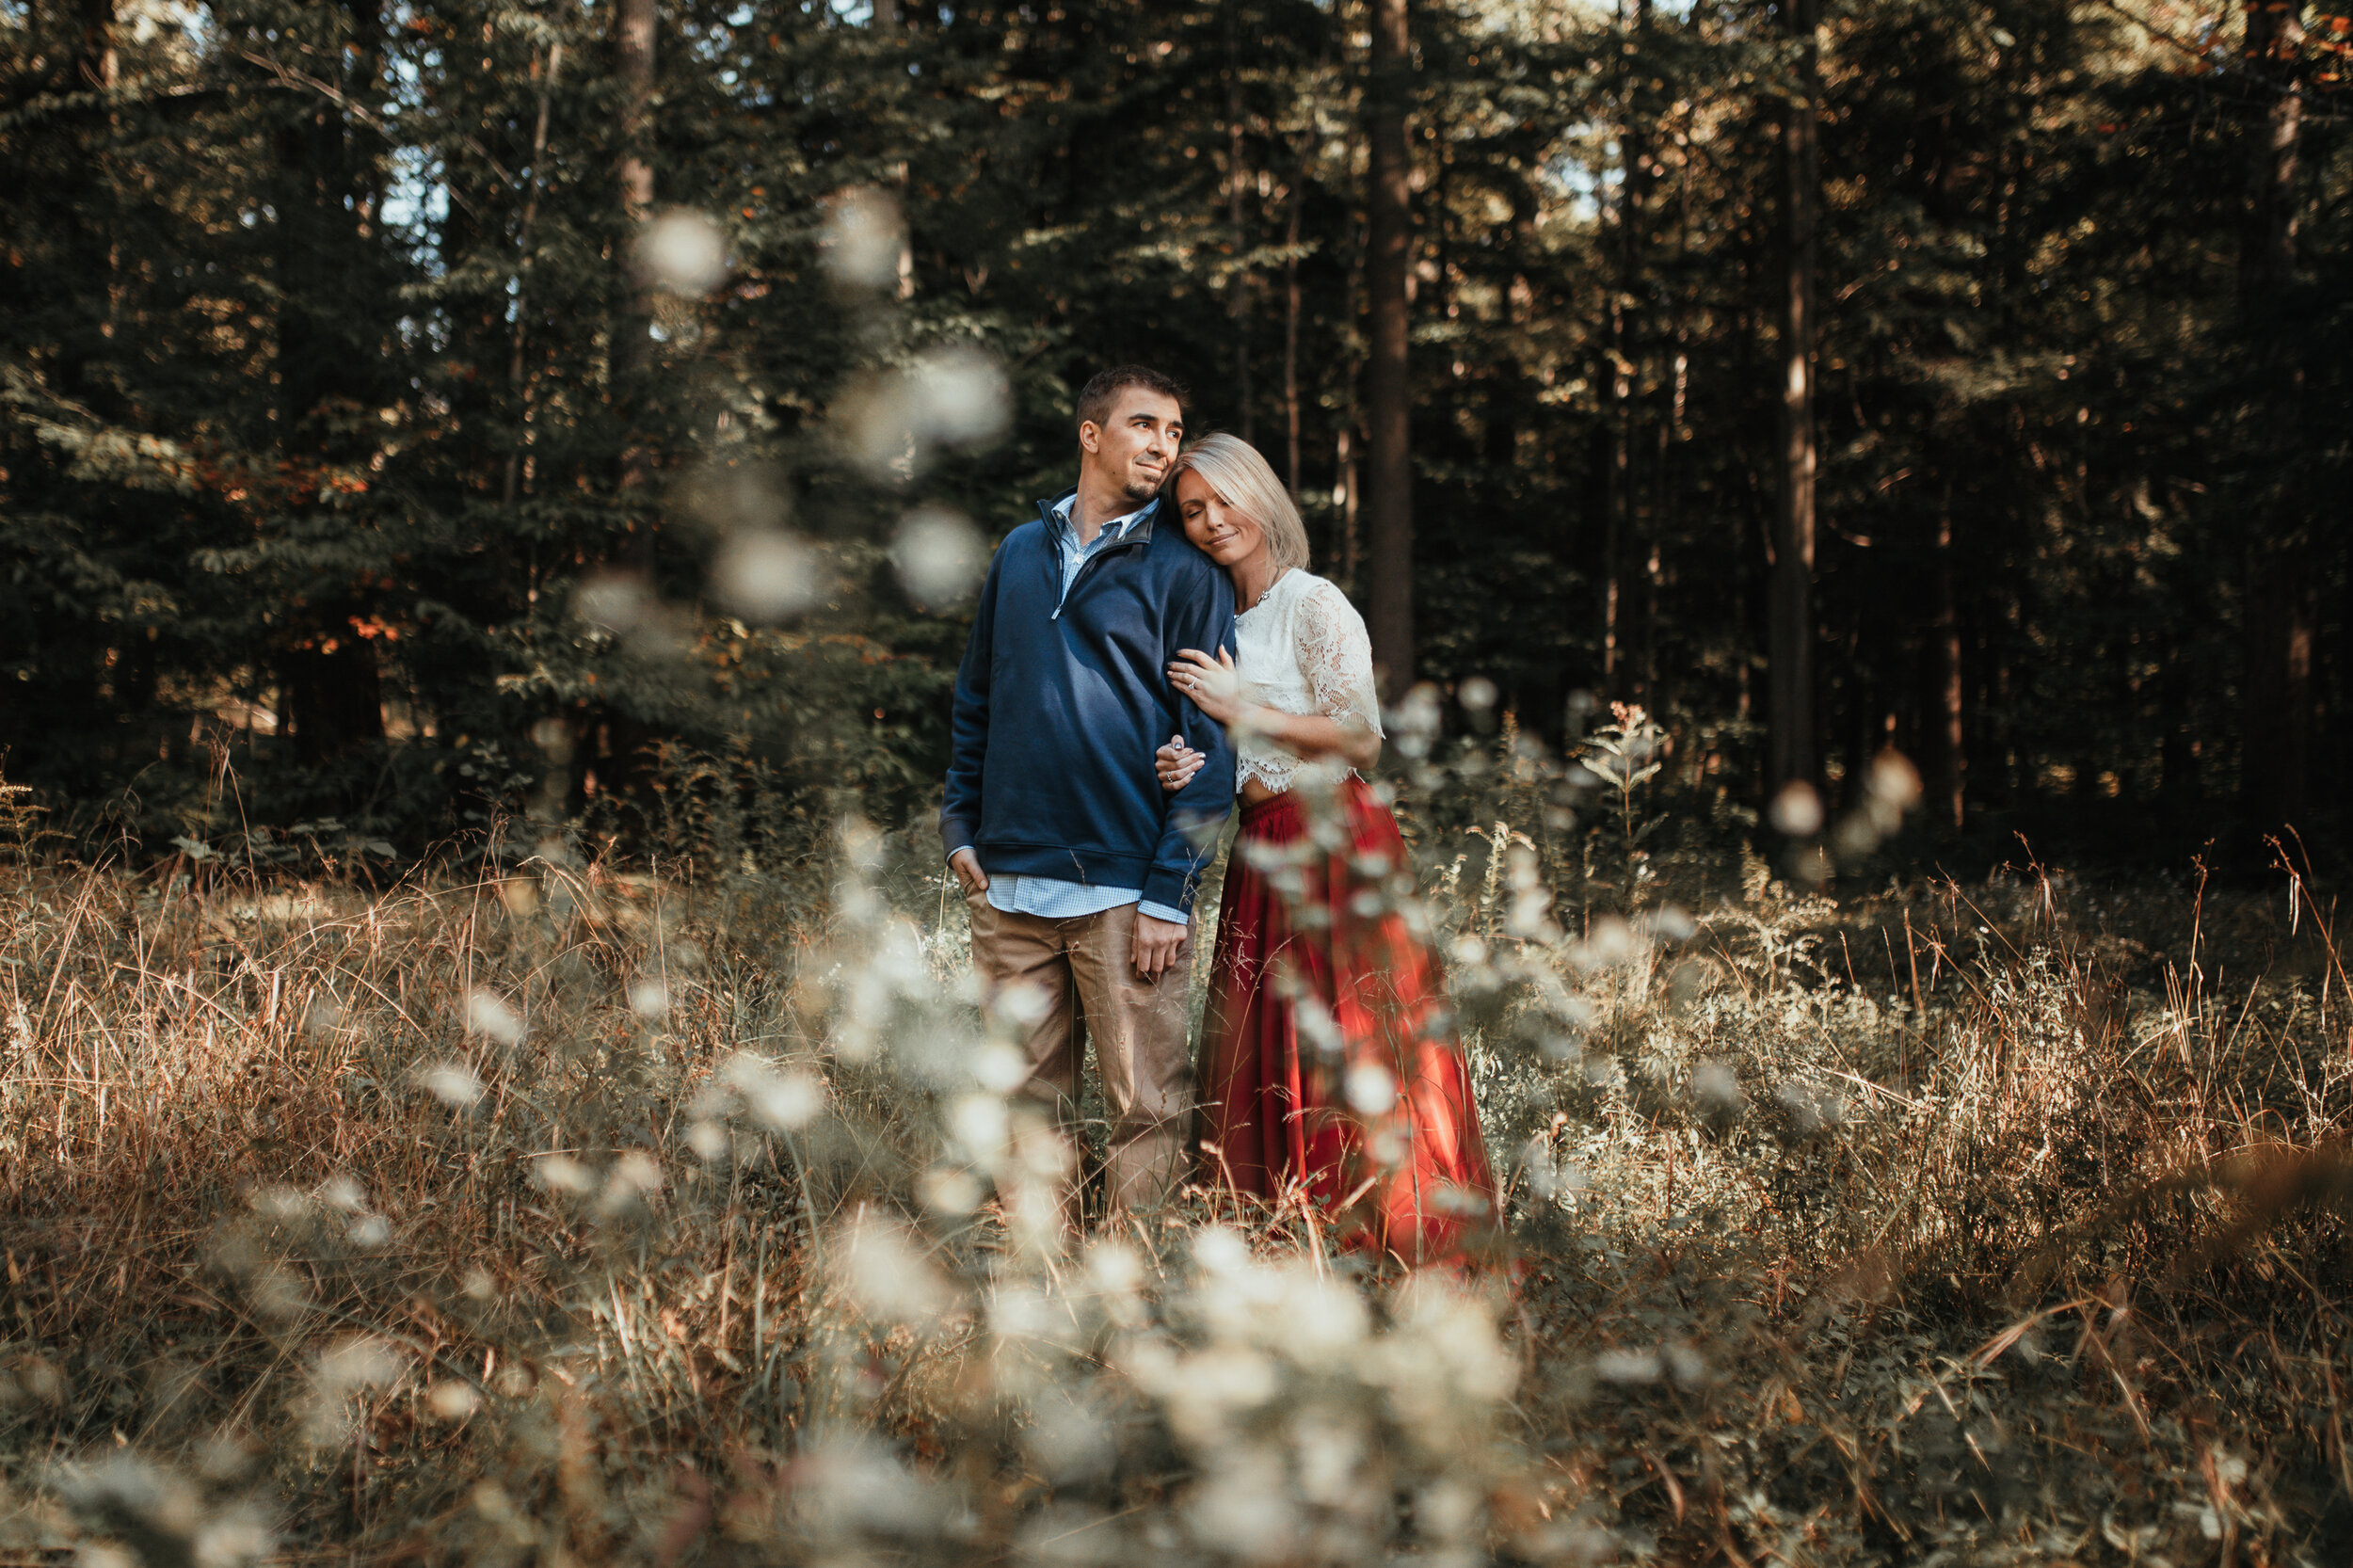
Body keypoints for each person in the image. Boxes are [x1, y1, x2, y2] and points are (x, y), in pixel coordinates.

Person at [1154, 434, 1497, 1268]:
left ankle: (1396, 1242)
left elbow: (1361, 736)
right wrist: (1188, 764)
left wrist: (1244, 711)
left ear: (1261, 499)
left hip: (1333, 835)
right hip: (1259, 847)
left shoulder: (1314, 602)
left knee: (1355, 1045)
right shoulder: (1211, 619)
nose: (1210, 522)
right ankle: (1285, 1245)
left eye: (1223, 501)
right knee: (1266, 1050)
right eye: (1192, 511)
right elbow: (1223, 747)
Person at [941, 366, 1239, 1224]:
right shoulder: (1018, 553)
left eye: (1175, 432)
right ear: (1091, 434)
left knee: (1146, 1109)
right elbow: (977, 699)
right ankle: (1035, 1296)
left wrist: (1168, 892)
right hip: (1010, 884)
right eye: (1145, 424)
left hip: (1124, 889)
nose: (1163, 445)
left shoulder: (1186, 571)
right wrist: (960, 824)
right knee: (1023, 1108)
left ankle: (1135, 1302)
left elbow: (1209, 740)